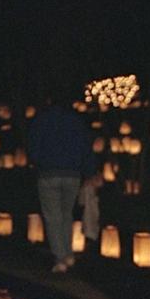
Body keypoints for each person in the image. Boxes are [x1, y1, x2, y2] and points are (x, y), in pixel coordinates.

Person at [26, 100, 98, 273]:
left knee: (53, 216)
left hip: (48, 173)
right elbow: (85, 147)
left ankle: (60, 257)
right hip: (72, 174)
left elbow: (34, 147)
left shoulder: (41, 120)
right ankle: (67, 253)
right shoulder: (75, 121)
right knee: (66, 214)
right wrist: (88, 171)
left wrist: (38, 163)